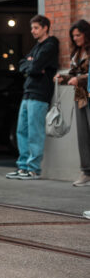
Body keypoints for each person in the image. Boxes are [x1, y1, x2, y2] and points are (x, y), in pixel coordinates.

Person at [5, 15, 59, 181]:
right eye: (32, 28)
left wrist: (32, 65)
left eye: (36, 28)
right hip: (28, 92)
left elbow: (35, 67)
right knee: (22, 130)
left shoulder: (51, 44)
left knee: (35, 132)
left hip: (40, 93)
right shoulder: (37, 47)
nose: (32, 31)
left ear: (45, 28)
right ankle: (23, 167)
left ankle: (34, 169)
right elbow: (22, 64)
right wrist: (30, 64)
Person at [55, 19, 90, 186]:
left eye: (78, 35)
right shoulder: (76, 53)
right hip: (80, 96)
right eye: (73, 35)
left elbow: (83, 76)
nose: (75, 38)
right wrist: (63, 78)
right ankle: (86, 171)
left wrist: (79, 79)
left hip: (88, 93)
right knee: (83, 136)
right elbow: (73, 74)